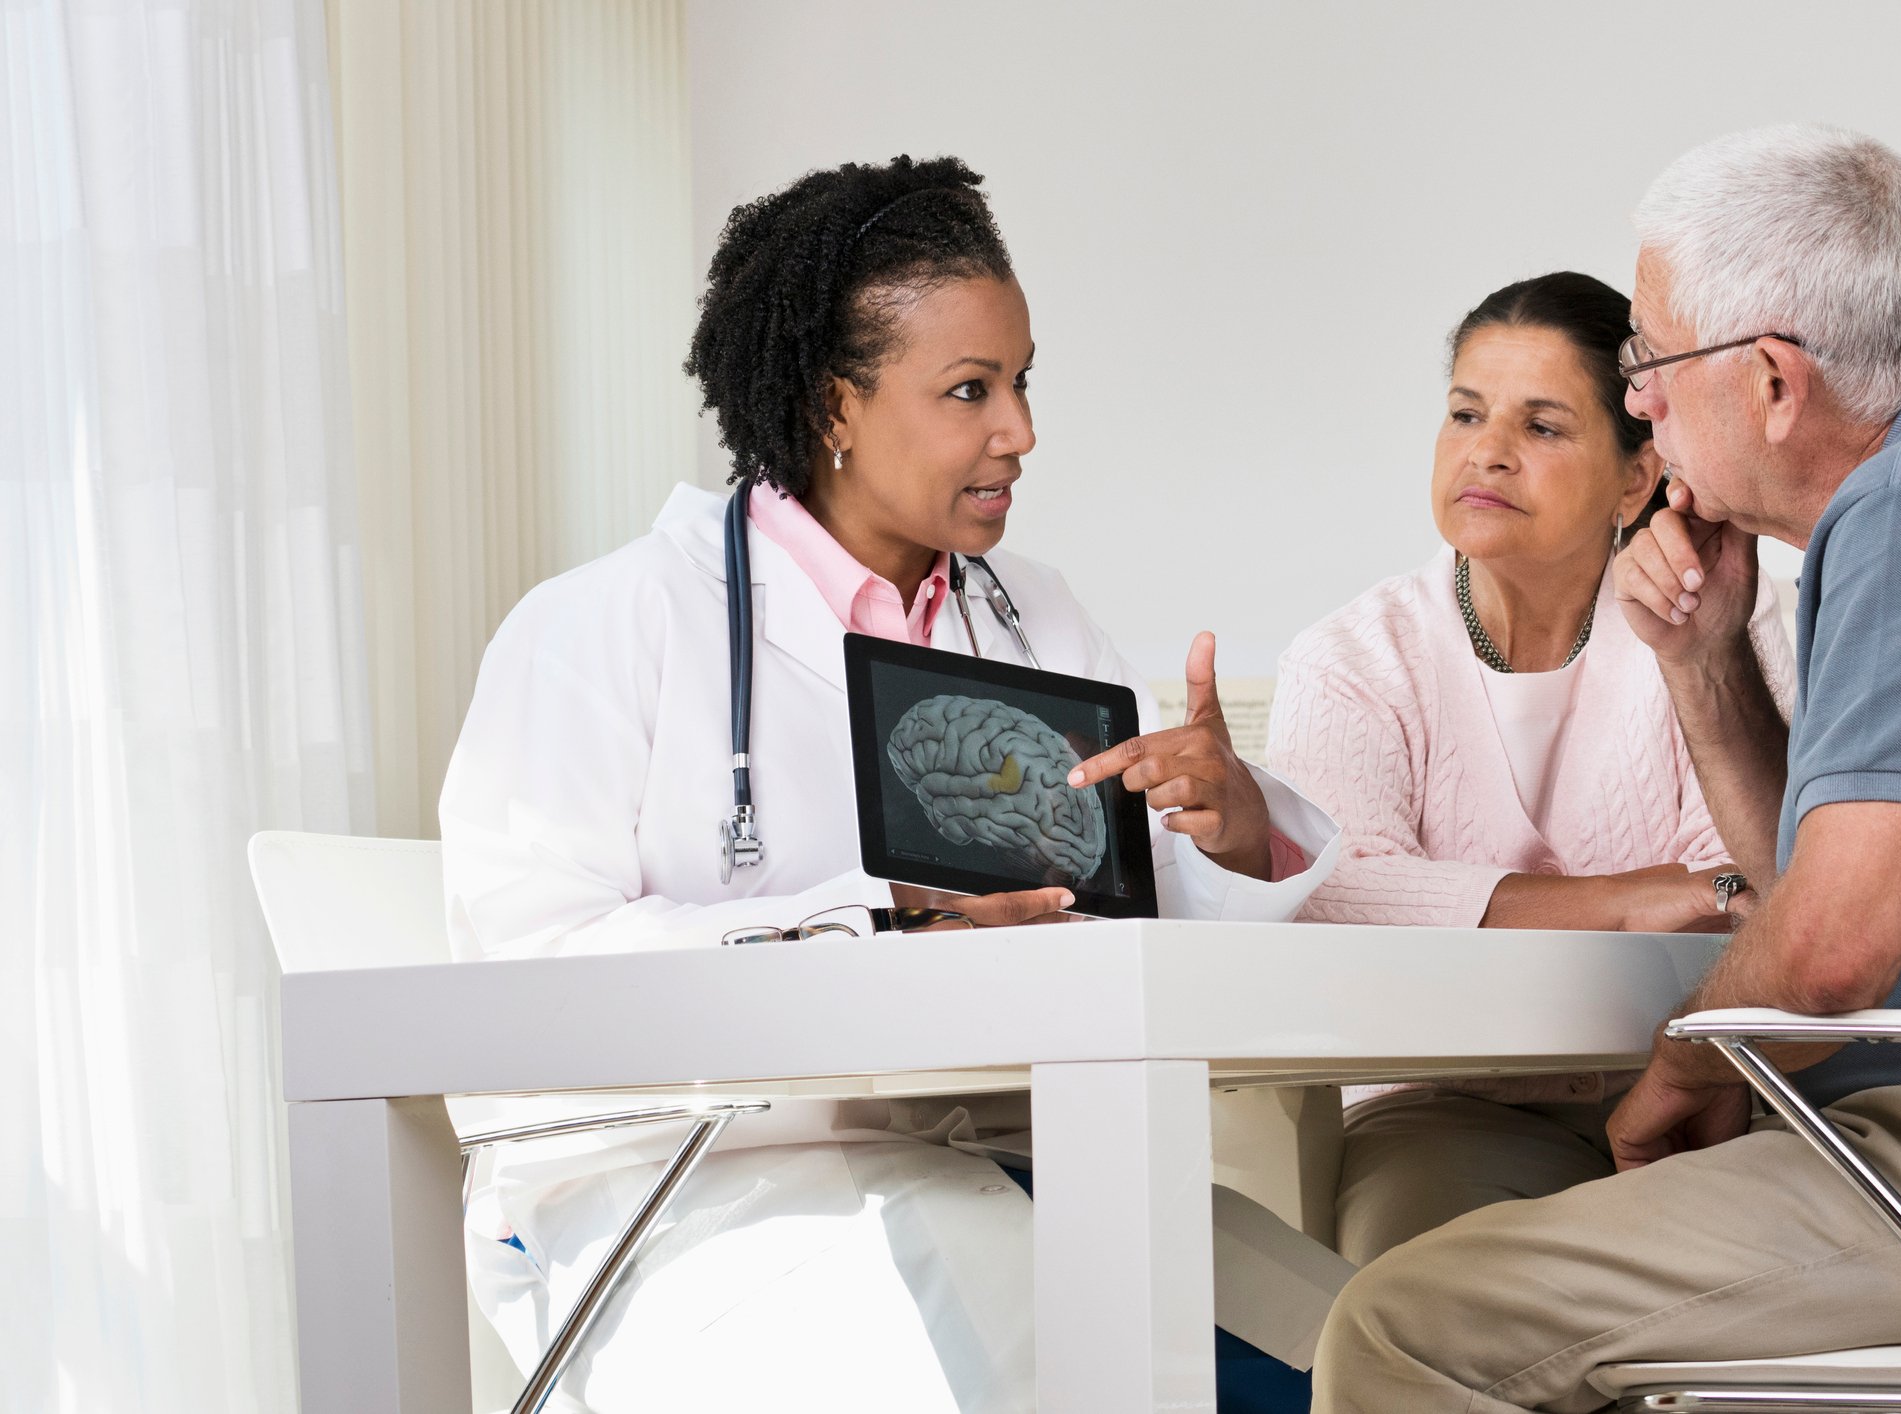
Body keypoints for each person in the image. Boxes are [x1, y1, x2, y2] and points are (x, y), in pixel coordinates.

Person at [439, 155, 1345, 1413]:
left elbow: (1134, 926)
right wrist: (880, 927)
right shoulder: (603, 625)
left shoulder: (1036, 616)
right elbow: (529, 977)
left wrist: (1231, 834)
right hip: (701, 1190)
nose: (1019, 431)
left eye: (1021, 382)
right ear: (836, 404)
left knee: (1369, 1358)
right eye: (970, 389)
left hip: (1017, 1154)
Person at [1314, 124, 1901, 1414]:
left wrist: (1677, 1071)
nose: (1638, 402)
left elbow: (1829, 953)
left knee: (1400, 1323)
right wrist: (1702, 657)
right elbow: (1810, 893)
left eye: (1649, 362)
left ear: (1773, 383)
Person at [1267, 271, 1792, 1265]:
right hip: (1441, 1107)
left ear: (1634, 478)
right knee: (1423, 1282)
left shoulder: (1730, 618)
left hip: (1701, 1094)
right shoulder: (1349, 658)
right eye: (1465, 413)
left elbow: (1750, 888)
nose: (1487, 451)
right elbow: (1333, 892)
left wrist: (1461, 904)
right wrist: (1625, 901)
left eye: (1542, 426)